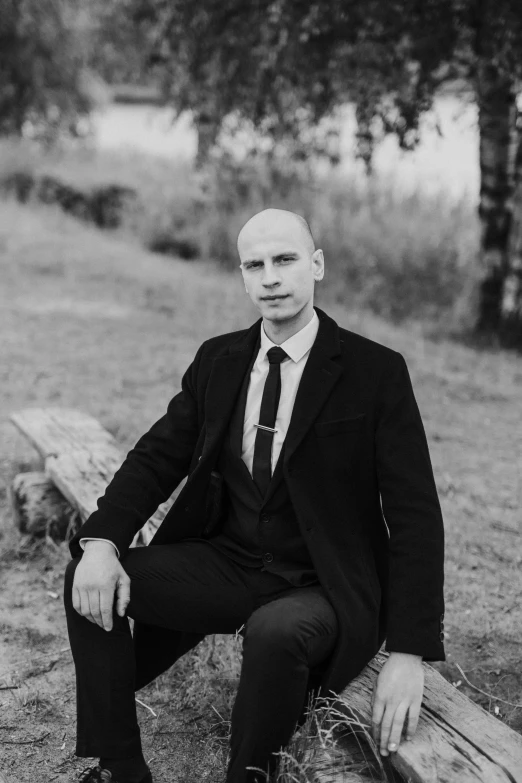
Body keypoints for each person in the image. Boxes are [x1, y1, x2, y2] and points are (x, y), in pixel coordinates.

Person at [63, 208, 445, 783]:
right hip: (229, 562)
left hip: (322, 583)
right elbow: (156, 456)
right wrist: (102, 541)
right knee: (82, 578)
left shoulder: (376, 371)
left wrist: (409, 653)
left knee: (275, 633)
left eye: (285, 260)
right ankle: (119, 766)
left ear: (315, 265)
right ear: (242, 277)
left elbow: (415, 514)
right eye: (255, 264)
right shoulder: (219, 359)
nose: (271, 277)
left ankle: (250, 776)